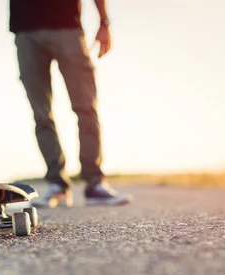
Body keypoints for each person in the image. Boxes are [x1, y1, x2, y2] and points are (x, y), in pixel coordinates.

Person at [9, 0, 133, 208]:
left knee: (86, 108)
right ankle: (57, 185)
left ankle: (95, 183)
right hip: (26, 29)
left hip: (67, 26)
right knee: (41, 114)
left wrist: (104, 22)